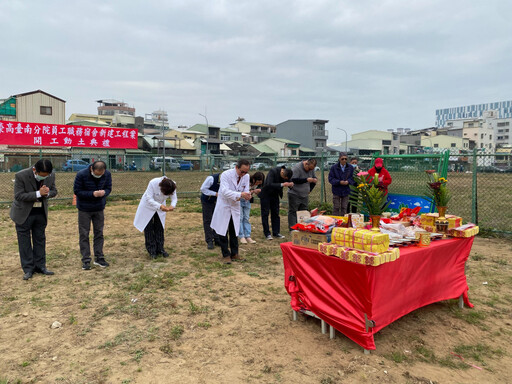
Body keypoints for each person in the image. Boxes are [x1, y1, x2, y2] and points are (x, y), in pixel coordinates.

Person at [10, 159, 58, 280]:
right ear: (34, 170)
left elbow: (54, 190)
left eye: (46, 176)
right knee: (24, 242)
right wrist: (38, 193)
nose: (44, 178)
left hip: (40, 213)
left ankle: (40, 266)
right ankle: (28, 268)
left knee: (40, 239)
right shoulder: (21, 175)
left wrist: (47, 193)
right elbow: (19, 195)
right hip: (23, 214)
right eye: (41, 176)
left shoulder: (51, 175)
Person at [211, 159, 251, 264]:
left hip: (235, 206)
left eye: (246, 172)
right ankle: (226, 255)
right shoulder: (226, 175)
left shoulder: (246, 177)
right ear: (236, 167)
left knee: (234, 231)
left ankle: (234, 253)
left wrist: (247, 195)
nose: (244, 174)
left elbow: (245, 190)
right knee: (223, 230)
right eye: (242, 171)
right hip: (224, 205)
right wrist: (240, 195)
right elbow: (224, 191)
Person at [73, 160, 112, 270]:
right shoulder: (81, 175)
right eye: (97, 173)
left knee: (99, 233)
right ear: (92, 169)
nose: (99, 176)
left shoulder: (107, 174)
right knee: (84, 234)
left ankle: (99, 257)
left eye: (101, 174)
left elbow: (109, 188)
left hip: (99, 208)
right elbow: (77, 191)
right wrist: (92, 194)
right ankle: (86, 260)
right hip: (84, 209)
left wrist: (105, 192)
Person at [133, 177, 177, 259]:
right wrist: (160, 206)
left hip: (161, 207)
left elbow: (174, 198)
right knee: (148, 228)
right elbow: (149, 198)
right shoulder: (153, 183)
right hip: (148, 206)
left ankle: (160, 249)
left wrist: (172, 206)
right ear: (161, 188)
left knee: (159, 227)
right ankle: (152, 251)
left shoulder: (172, 185)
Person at [259, 165, 293, 240]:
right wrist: (282, 184)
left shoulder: (287, 173)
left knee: (276, 213)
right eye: (283, 178)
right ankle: (267, 233)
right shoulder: (273, 171)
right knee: (265, 214)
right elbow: (269, 184)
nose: (284, 179)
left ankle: (276, 232)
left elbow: (289, 181)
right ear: (282, 172)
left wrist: (291, 185)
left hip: (275, 195)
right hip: (266, 195)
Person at [288, 158, 317, 230]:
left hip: (304, 194)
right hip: (294, 193)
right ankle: (292, 228)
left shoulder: (311, 169)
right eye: (309, 168)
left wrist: (310, 188)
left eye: (311, 169)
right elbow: (293, 180)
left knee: (303, 211)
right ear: (306, 163)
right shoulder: (297, 168)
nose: (310, 171)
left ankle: (302, 227)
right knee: (293, 211)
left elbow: (314, 179)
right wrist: (306, 180)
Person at [239, 172, 264, 244]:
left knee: (246, 218)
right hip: (240, 200)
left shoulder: (257, 185)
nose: (258, 184)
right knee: (240, 218)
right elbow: (240, 191)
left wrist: (255, 191)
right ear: (253, 179)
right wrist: (252, 191)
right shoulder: (246, 181)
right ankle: (241, 236)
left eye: (260, 183)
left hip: (247, 201)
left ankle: (247, 235)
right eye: (257, 182)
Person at [328, 152, 354, 216]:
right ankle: (335, 221)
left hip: (346, 190)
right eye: (342, 159)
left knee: (344, 207)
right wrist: (339, 182)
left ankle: (343, 222)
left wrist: (348, 181)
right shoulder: (334, 167)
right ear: (339, 159)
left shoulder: (350, 167)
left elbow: (353, 178)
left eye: (345, 159)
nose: (344, 160)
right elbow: (330, 179)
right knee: (336, 207)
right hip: (336, 190)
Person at [200, 173, 221, 249]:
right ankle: (209, 240)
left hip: (217, 201)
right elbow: (203, 189)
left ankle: (217, 238)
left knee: (217, 219)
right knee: (208, 220)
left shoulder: (227, 180)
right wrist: (215, 194)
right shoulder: (211, 178)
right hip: (207, 201)